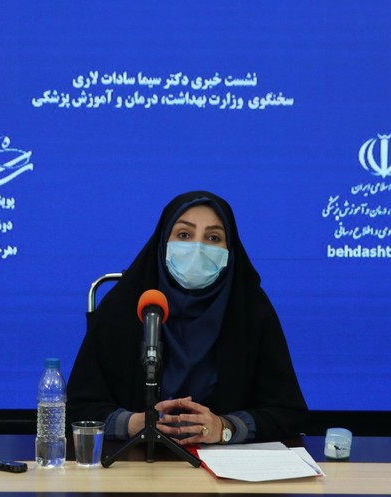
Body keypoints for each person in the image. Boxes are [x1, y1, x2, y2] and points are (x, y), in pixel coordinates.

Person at [67, 190, 307, 445]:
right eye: (184, 235)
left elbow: (288, 413)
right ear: (163, 241)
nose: (197, 249)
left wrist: (225, 427)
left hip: (224, 463)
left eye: (213, 238)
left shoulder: (251, 310)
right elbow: (78, 409)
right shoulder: (124, 306)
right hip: (135, 459)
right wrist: (131, 423)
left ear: (230, 250)